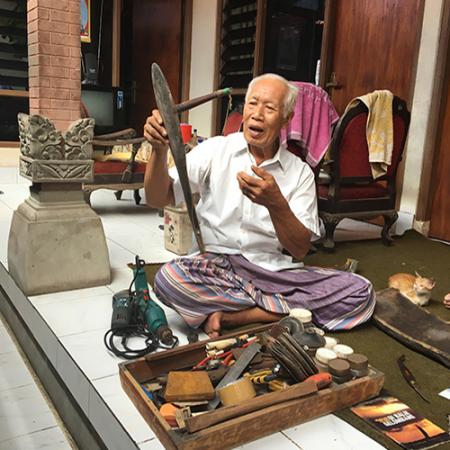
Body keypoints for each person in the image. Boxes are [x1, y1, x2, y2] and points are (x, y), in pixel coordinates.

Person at [144, 73, 375, 338]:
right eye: (252, 104)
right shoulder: (215, 150)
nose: (257, 114)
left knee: (360, 291)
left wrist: (276, 204)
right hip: (216, 266)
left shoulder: (298, 173)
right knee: (167, 279)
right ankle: (286, 308)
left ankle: (237, 317)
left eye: (270, 108)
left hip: (273, 273)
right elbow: (157, 198)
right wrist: (158, 151)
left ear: (286, 118)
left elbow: (299, 249)